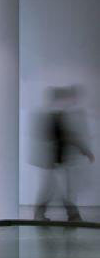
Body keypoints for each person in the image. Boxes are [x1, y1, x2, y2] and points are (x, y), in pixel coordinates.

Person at [32, 86, 94, 222]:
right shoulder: (55, 116)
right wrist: (85, 150)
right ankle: (73, 216)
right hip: (55, 160)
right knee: (59, 190)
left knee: (55, 189)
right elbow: (66, 136)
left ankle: (47, 215)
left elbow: (64, 136)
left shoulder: (55, 115)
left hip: (56, 160)